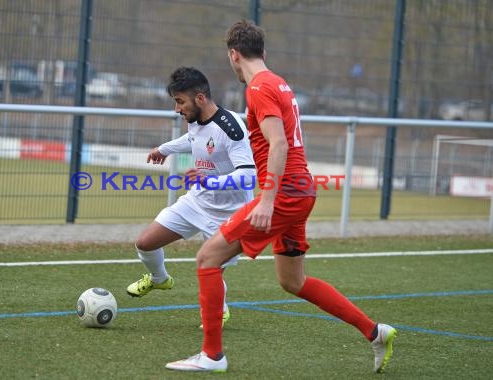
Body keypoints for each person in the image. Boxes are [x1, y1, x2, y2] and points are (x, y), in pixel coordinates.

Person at [165, 20, 397, 374]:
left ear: (234, 55)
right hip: (302, 190)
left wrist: (268, 200)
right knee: (293, 281)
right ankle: (374, 332)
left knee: (207, 258)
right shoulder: (280, 84)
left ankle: (212, 356)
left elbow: (279, 143)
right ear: (264, 52)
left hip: (286, 194)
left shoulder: (259, 88)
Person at [126, 67, 256, 328]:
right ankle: (159, 279)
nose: (177, 109)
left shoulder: (231, 127)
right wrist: (165, 149)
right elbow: (195, 138)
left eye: (179, 101)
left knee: (211, 269)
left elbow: (249, 176)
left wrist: (210, 181)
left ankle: (220, 310)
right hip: (197, 201)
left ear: (199, 98)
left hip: (230, 213)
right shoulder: (195, 119)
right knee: (145, 242)